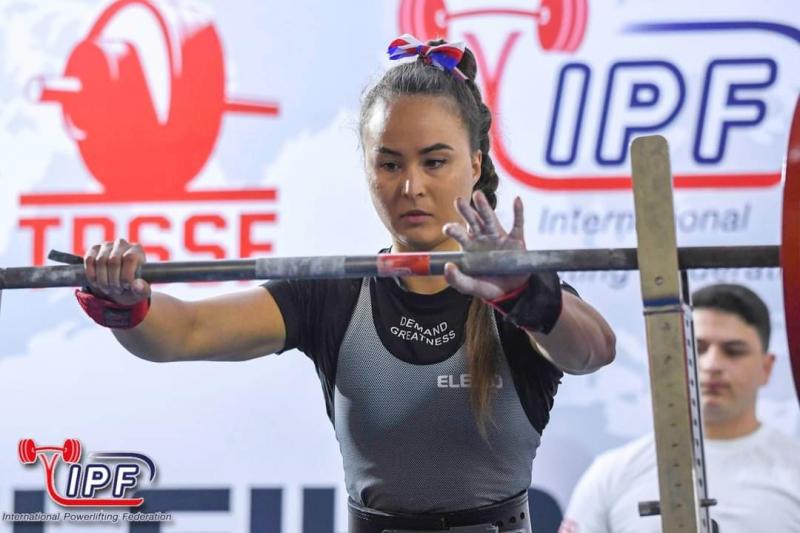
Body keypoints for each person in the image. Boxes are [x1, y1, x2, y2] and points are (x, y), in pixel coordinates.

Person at [77, 35, 616, 533]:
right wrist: (128, 304)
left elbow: (594, 351)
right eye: (389, 164)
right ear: (368, 169)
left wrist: (526, 295)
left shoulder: (522, 294)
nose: (411, 186)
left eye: (435, 161)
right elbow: (185, 331)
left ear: (475, 164)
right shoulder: (334, 293)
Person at [560, 283, 800, 533]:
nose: (712, 364)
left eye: (733, 351)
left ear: (766, 367)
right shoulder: (611, 474)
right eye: (698, 348)